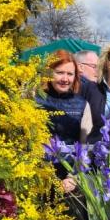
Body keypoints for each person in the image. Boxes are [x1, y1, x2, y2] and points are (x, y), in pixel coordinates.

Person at [35, 50, 95, 194]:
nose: (65, 79)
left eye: (70, 74)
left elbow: (86, 147)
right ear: (49, 73)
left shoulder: (82, 104)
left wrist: (73, 177)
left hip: (70, 182)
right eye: (60, 72)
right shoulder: (35, 99)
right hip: (37, 177)